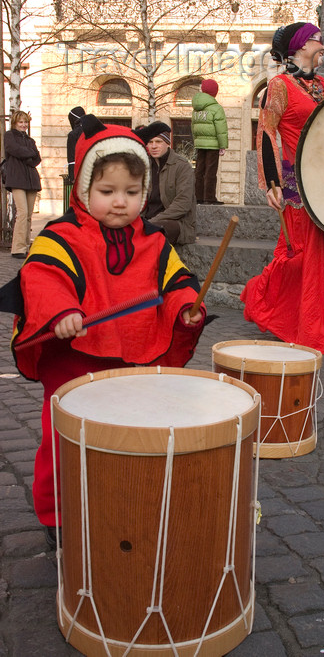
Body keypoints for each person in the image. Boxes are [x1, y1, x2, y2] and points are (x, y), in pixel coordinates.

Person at [0, 115, 205, 547]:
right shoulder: (62, 234)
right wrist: (61, 311)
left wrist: (187, 308)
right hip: (73, 359)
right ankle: (57, 516)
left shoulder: (154, 240)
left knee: (132, 437)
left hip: (135, 357)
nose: (119, 203)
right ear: (82, 189)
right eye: (107, 192)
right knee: (64, 441)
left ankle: (122, 501)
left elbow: (178, 283)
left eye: (132, 193)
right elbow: (42, 277)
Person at [240, 22, 324, 355]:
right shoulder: (279, 85)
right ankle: (282, 314)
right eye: (316, 40)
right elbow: (268, 133)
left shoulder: (323, 85)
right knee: (300, 253)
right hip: (296, 184)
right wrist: (272, 183)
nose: (322, 44)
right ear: (300, 48)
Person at [135, 121, 196, 244]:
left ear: (168, 143)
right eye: (150, 142)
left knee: (155, 232)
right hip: (146, 219)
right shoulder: (144, 166)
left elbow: (183, 203)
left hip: (176, 223)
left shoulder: (181, 166)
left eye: (158, 142)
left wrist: (152, 222)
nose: (154, 146)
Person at [3, 111, 41, 259]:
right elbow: (14, 150)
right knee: (23, 213)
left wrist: (27, 154)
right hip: (17, 179)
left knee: (29, 216)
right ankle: (17, 248)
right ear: (15, 123)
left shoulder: (30, 140)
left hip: (31, 179)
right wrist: (29, 153)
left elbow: (37, 159)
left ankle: (25, 247)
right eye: (21, 122)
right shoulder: (9, 136)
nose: (24, 125)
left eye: (25, 122)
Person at [191, 79, 228, 205]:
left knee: (199, 171)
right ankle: (209, 197)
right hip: (213, 145)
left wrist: (196, 140)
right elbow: (221, 129)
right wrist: (223, 145)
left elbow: (193, 126)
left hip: (200, 144)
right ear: (215, 92)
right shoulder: (216, 108)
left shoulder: (196, 108)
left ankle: (198, 196)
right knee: (211, 171)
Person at [66, 105, 86, 181]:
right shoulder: (92, 130)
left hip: (79, 172)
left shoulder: (73, 134)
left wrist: (72, 176)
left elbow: (72, 156)